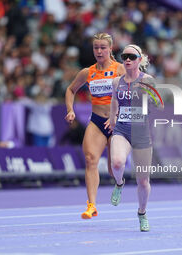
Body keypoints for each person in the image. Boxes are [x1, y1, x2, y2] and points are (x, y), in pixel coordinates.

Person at [65, 32, 125, 219]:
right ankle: (92, 205)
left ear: (110, 48)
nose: (99, 51)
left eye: (103, 48)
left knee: (112, 168)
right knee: (90, 159)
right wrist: (70, 109)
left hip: (117, 122)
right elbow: (70, 89)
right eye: (96, 48)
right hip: (97, 122)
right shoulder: (87, 72)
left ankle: (119, 182)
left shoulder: (120, 69)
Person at [109, 44, 159, 232]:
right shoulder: (116, 82)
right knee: (117, 163)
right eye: (124, 56)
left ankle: (142, 212)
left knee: (143, 181)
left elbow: (156, 105)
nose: (127, 60)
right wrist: (112, 117)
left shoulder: (148, 80)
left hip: (141, 133)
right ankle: (119, 183)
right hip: (122, 129)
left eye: (131, 56)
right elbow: (114, 100)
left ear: (139, 60)